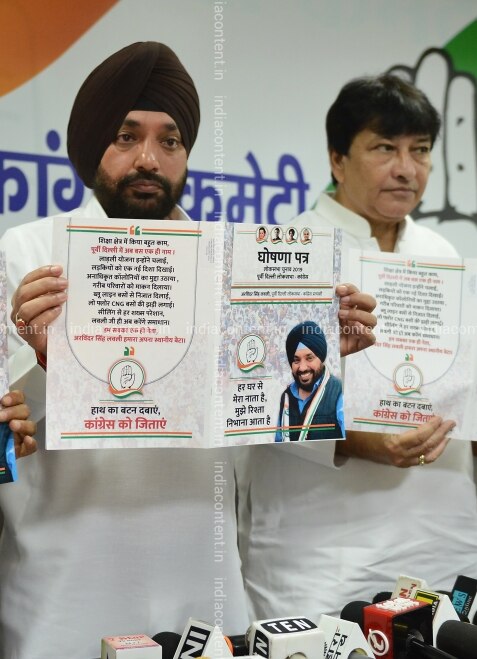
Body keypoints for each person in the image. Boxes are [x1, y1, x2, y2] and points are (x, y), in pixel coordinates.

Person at [0, 42, 249, 659]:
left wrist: (323, 359)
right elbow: (7, 437)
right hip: (63, 596)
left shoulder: (230, 267)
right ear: (92, 149)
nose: (148, 159)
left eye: (170, 141)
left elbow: (263, 419)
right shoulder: (25, 255)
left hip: (206, 593)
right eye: (126, 136)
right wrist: (46, 361)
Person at [239, 74, 477, 622]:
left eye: (420, 150)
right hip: (321, 556)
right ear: (337, 160)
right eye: (384, 148)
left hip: (443, 542)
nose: (406, 168)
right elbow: (254, 404)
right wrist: (362, 441)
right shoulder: (286, 254)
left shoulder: (446, 257)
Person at [276, 321, 344, 441]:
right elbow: (278, 439)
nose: (302, 368)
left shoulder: (338, 392)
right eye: (296, 360)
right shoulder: (286, 396)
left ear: (321, 358)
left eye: (309, 358)